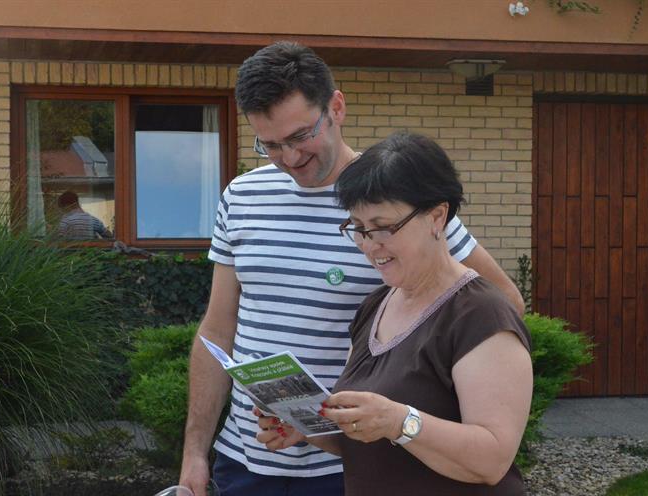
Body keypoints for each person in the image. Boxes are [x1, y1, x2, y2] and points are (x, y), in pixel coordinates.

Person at [180, 41, 525, 496]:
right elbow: (218, 327)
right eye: (271, 145)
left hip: (354, 464)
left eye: (301, 136)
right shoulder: (241, 196)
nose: (289, 157)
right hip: (250, 455)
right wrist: (194, 452)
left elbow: (494, 304)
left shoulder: (397, 191)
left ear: (336, 107)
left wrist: (418, 415)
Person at [257, 132, 533, 495]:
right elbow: (367, 441)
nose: (371, 246)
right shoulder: (375, 306)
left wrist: (400, 420)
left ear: (437, 216)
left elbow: (491, 459)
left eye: (384, 227)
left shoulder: (481, 314)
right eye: (358, 228)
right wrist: (308, 426)